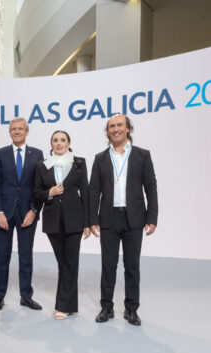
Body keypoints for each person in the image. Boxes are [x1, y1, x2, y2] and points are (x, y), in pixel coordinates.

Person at [89, 114, 158, 326]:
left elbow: (151, 187)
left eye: (119, 125)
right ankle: (106, 308)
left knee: (132, 266)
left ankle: (131, 310)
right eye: (111, 126)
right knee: (108, 266)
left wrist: (152, 217)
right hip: (108, 218)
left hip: (134, 218)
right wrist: (92, 219)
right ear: (107, 131)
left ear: (128, 129)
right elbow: (93, 191)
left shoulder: (142, 155)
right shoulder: (100, 158)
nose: (115, 129)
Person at [33, 130, 90, 320]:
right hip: (52, 219)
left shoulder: (79, 163)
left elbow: (86, 194)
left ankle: (63, 306)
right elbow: (36, 193)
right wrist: (50, 192)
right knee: (64, 262)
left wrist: (88, 222)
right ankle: (70, 305)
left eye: (62, 140)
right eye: (55, 140)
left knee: (70, 261)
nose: (59, 143)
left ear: (69, 143)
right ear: (51, 144)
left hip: (75, 219)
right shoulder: (42, 166)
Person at [0, 117, 44, 311]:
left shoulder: (37, 154)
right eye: (13, 129)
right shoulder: (1, 154)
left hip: (27, 214)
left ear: (27, 132)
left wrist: (34, 210)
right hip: (4, 214)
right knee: (2, 256)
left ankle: (26, 296)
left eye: (20, 129)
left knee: (26, 256)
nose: (17, 132)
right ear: (10, 132)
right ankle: (0, 296)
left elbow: (41, 186)